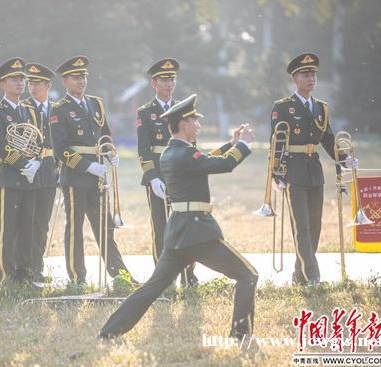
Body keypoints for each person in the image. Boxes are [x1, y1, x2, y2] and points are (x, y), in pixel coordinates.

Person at [99, 94, 258, 342]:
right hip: (198, 234)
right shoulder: (184, 154)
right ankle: (240, 335)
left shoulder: (174, 152)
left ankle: (108, 332)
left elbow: (204, 161)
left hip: (178, 234)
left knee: (151, 289)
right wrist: (244, 145)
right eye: (195, 120)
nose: (199, 125)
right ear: (183, 123)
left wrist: (231, 143)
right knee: (248, 275)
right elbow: (221, 165)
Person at [270, 53, 358, 286]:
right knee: (302, 226)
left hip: (314, 171)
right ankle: (313, 275)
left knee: (315, 225)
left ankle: (299, 276)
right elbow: (276, 142)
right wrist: (276, 173)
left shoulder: (321, 108)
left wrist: (345, 159)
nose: (311, 78)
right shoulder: (283, 107)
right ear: (295, 78)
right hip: (293, 171)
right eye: (306, 75)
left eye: (314, 74)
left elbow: (328, 139)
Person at [49, 55, 136, 285]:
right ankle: (78, 279)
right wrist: (88, 166)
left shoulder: (96, 103)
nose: (82, 81)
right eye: (76, 77)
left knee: (105, 230)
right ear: (65, 81)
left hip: (98, 179)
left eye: (84, 76)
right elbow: (61, 149)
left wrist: (111, 154)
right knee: (75, 231)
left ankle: (120, 276)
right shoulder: (60, 109)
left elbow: (104, 133)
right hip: (75, 178)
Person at [0, 57, 41, 284]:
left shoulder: (29, 110)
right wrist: (24, 164)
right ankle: (6, 277)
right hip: (10, 177)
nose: (20, 83)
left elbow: (37, 140)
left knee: (27, 229)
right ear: (2, 84)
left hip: (30, 178)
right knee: (9, 229)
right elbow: (0, 144)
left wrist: (36, 162)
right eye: (14, 79)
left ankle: (25, 275)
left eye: (22, 79)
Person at [136, 58, 197, 286]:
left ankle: (189, 276)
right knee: (161, 228)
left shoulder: (185, 109)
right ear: (154, 83)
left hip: (182, 175)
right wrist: (152, 177)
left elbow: (193, 143)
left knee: (187, 226)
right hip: (159, 176)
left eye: (172, 79)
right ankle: (163, 279)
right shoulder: (145, 112)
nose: (169, 83)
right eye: (164, 79)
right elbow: (143, 149)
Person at [22, 62, 59, 282]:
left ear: (48, 85)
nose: (32, 88)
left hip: (49, 170)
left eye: (37, 83)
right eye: (30, 83)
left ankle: (37, 268)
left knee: (42, 223)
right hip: (29, 170)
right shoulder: (23, 107)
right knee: (27, 221)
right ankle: (24, 269)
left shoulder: (56, 108)